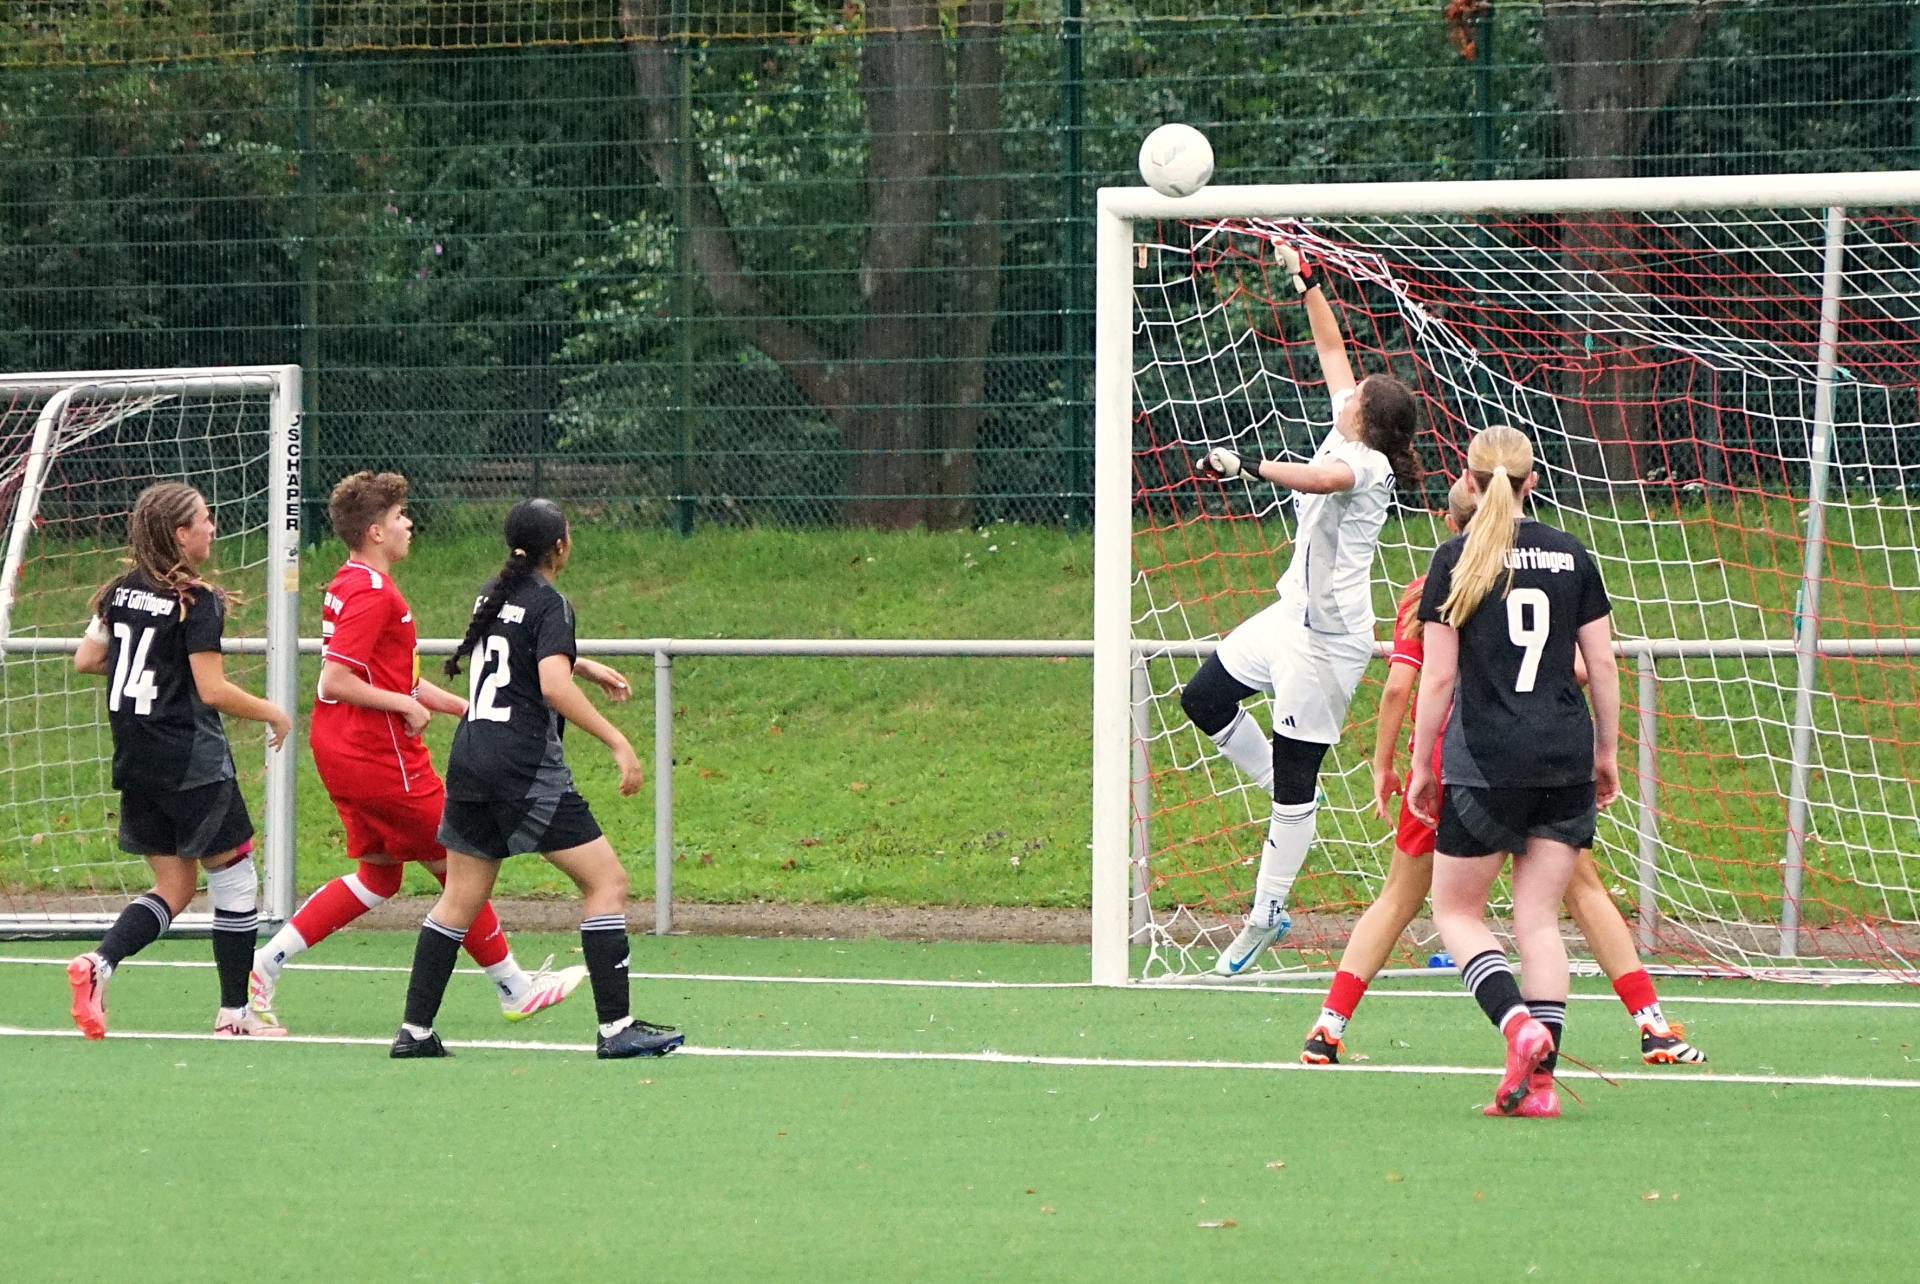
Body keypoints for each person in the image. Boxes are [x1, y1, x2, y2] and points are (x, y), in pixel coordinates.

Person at [1301, 478, 1704, 1068]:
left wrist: (1388, 764)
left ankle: (1328, 1027)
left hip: (1455, 759)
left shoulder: (1436, 579)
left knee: (1405, 898)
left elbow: (1402, 685)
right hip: (1536, 754)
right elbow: (1585, 666)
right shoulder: (1553, 562)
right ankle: (1651, 1024)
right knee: (1573, 895)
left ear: (1452, 519)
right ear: (1525, 488)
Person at [249, 472, 585, 1023]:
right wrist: (403, 707)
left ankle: (266, 963)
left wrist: (463, 707)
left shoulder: (349, 581)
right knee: (460, 867)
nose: (409, 524)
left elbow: (390, 677)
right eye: (399, 516)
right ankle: (514, 987)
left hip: (342, 748)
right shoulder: (374, 593)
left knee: (380, 876)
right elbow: (336, 680)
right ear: (376, 531)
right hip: (377, 756)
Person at [1183, 243, 1423, 975]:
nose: (1345, 395)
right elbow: (1331, 349)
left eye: (1356, 397)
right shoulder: (1350, 426)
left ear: (1367, 420)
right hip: (1288, 617)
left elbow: (1320, 481)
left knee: (1296, 780)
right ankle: (1292, 804)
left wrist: (1247, 464)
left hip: (1330, 643)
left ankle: (1266, 911)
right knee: (1204, 699)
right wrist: (1306, 279)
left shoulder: (1365, 463)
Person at [390, 498, 683, 1060]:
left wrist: (581, 663)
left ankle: (415, 1032)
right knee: (607, 882)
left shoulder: (493, 592)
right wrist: (617, 740)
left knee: (459, 900)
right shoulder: (551, 603)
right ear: (561, 548)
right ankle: (616, 1028)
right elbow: (549, 683)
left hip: (471, 757)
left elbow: (517, 658)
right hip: (521, 766)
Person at [1405, 425, 1621, 1119]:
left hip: (1485, 761)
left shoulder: (1454, 558)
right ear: (1534, 481)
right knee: (1539, 921)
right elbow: (1603, 663)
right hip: (1563, 756)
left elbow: (1438, 678)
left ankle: (1516, 1024)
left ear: (1468, 481)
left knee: (1456, 911)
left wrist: (1421, 763)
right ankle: (1540, 1089)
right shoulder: (1571, 553)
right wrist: (1607, 753)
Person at [65, 482, 294, 1039]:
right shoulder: (196, 599)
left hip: (137, 758)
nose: (213, 528)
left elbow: (87, 659)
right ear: (180, 533)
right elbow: (212, 690)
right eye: (205, 520)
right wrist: (273, 712)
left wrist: (156, 666)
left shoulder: (118, 592)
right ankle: (235, 1013)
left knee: (175, 885)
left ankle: (99, 963)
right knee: (234, 878)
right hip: (190, 761)